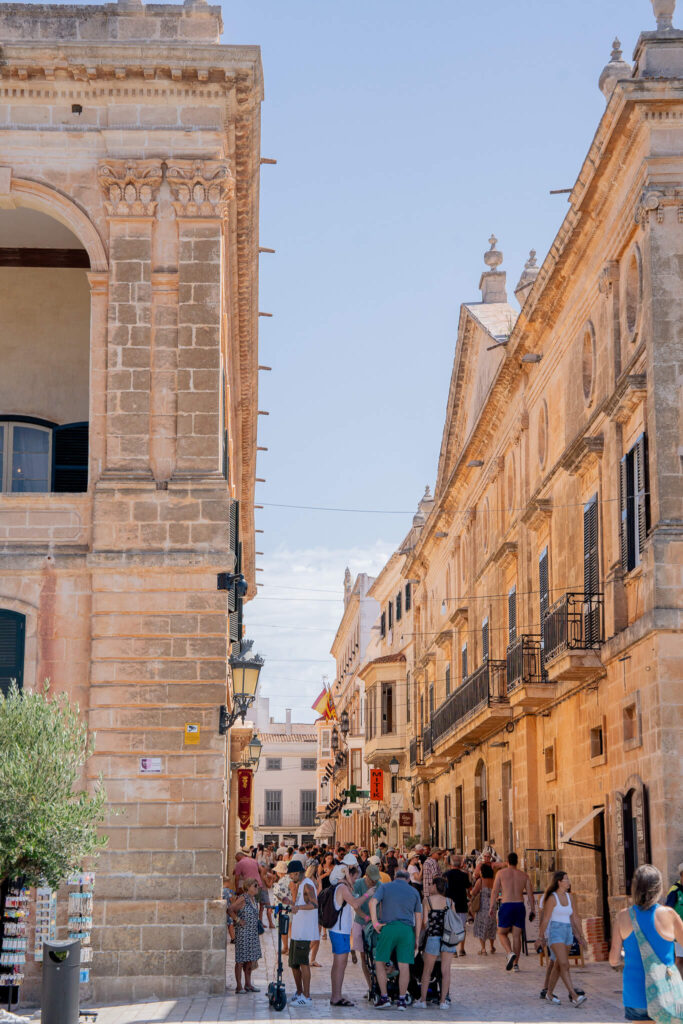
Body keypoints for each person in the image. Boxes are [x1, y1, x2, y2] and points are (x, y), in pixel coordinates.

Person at [610, 863, 683, 1021]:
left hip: (635, 994)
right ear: (658, 887)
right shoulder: (669, 915)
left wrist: (627, 957)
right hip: (666, 993)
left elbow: (613, 960)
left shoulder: (623, 917)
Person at [369, 868, 423, 1010]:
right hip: (406, 930)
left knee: (379, 962)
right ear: (408, 879)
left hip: (388, 928)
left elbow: (372, 902)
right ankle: (401, 1000)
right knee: (404, 966)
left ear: (394, 877)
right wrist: (417, 938)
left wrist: (375, 923)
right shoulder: (414, 891)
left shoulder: (385, 887)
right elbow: (418, 916)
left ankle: (385, 997)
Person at [328, 856, 376, 1007]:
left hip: (338, 931)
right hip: (340, 931)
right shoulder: (342, 888)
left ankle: (336, 995)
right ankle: (336, 997)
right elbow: (355, 903)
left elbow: (353, 893)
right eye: (355, 878)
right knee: (340, 965)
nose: (355, 881)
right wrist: (369, 893)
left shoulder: (341, 886)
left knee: (338, 964)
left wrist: (349, 877)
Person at [537, 871, 587, 1005]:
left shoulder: (570, 897)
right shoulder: (552, 898)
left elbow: (574, 917)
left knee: (559, 965)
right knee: (565, 964)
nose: (569, 881)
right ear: (559, 882)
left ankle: (549, 993)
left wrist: (580, 936)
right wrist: (540, 938)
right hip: (556, 932)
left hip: (567, 933)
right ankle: (574, 995)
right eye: (566, 879)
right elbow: (546, 919)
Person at [413, 875, 457, 1009]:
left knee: (427, 970)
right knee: (446, 971)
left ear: (436, 886)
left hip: (433, 938)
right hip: (448, 939)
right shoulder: (450, 902)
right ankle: (443, 1001)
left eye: (431, 884)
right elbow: (454, 922)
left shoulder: (427, 901)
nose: (430, 886)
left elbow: (425, 922)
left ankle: (423, 1000)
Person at [490, 851, 535, 970]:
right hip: (519, 906)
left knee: (501, 932)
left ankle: (510, 953)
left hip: (507, 905)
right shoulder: (524, 876)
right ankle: (516, 964)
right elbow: (530, 895)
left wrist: (492, 906)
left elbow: (494, 891)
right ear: (517, 861)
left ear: (507, 861)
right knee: (517, 936)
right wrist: (533, 910)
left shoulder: (501, 873)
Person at [285, 860, 318, 1006]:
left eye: (292, 874)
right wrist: (290, 903)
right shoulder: (300, 885)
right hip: (297, 932)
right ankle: (299, 992)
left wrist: (298, 908)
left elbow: (314, 904)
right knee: (294, 963)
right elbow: (299, 905)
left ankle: (307, 996)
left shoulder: (308, 885)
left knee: (303, 963)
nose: (291, 877)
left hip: (304, 931)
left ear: (298, 873)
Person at [230, 878, 262, 993]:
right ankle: (239, 986)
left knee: (250, 960)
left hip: (252, 934)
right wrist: (238, 920)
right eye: (255, 886)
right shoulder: (243, 898)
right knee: (240, 960)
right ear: (248, 887)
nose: (257, 887)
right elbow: (230, 909)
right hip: (243, 933)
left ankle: (248, 984)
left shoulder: (254, 899)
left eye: (257, 885)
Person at [352, 862, 380, 994]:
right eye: (372, 879)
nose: (374, 882)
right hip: (361, 922)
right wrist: (366, 917)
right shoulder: (358, 885)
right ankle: (370, 987)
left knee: (376, 955)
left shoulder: (380, 886)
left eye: (376, 879)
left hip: (375, 924)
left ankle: (379, 984)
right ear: (366, 876)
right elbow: (355, 905)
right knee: (363, 956)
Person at [444, 854, 471, 956]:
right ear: (460, 865)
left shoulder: (446, 875)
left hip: (450, 904)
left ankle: (453, 949)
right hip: (462, 903)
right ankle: (462, 949)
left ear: (451, 864)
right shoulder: (464, 875)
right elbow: (469, 887)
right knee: (462, 927)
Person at [471, 862, 497, 954]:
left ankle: (483, 949)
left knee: (482, 926)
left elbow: (473, 892)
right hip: (492, 906)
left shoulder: (480, 881)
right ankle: (492, 946)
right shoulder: (494, 881)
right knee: (491, 926)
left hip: (483, 907)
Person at [665, 861, 683, 976]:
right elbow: (667, 910)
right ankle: (676, 983)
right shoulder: (675, 890)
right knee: (680, 959)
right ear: (681, 875)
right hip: (679, 931)